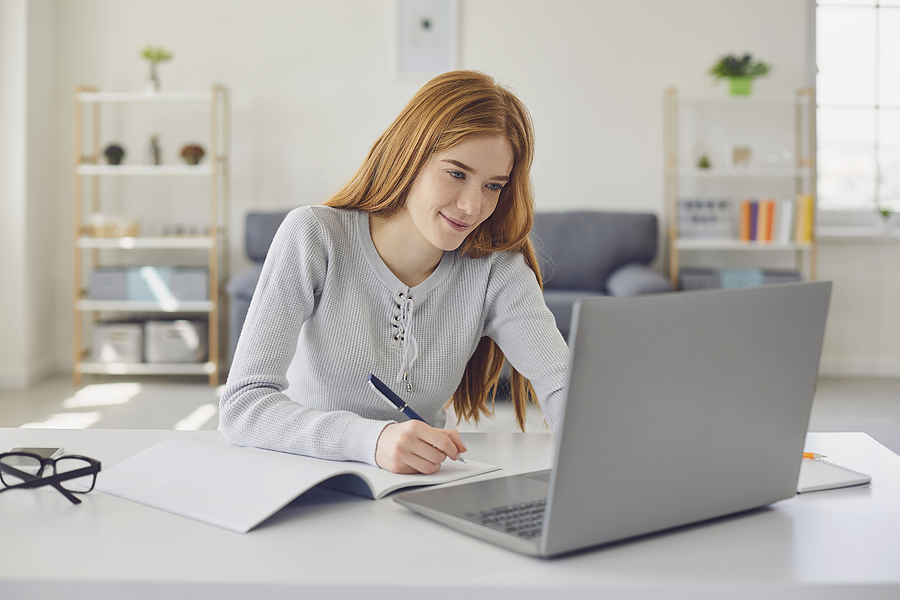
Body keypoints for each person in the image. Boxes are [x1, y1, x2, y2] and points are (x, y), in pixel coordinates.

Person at [219, 70, 568, 474]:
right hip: (303, 475)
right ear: (410, 156)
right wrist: (373, 439)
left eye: (493, 186)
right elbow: (244, 404)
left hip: (420, 484)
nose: (473, 206)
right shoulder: (315, 235)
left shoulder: (495, 268)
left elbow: (562, 384)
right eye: (457, 174)